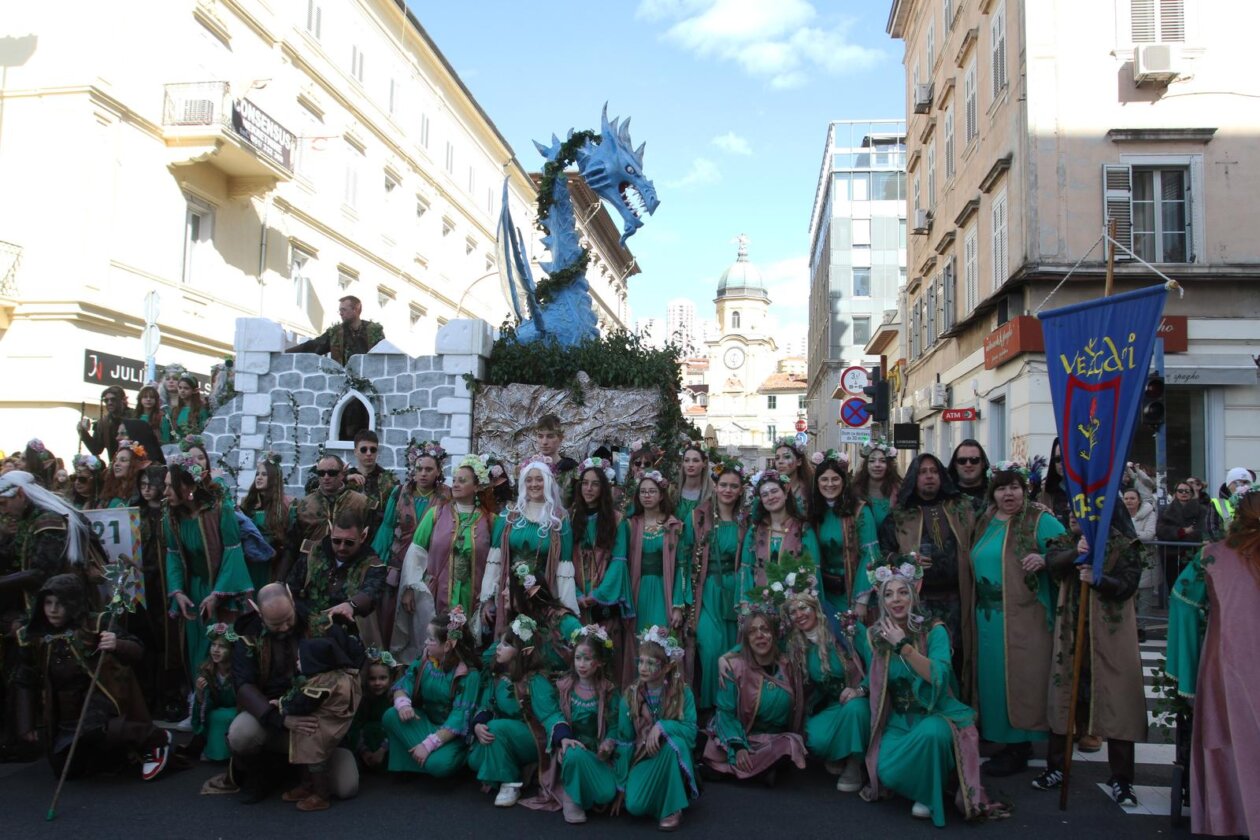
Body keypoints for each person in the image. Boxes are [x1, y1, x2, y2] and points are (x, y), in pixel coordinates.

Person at [857, 554, 1008, 826]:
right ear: (882, 601)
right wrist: (858, 690)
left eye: (903, 592)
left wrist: (904, 645)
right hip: (899, 721)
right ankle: (936, 779)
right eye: (889, 594)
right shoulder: (875, 635)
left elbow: (939, 675)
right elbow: (877, 678)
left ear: (914, 594)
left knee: (932, 733)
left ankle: (928, 794)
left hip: (933, 713)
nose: (897, 599)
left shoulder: (934, 630)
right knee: (885, 773)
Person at [1165, 484, 1260, 838]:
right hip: (1233, 658)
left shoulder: (1214, 555)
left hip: (1229, 660)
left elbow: (1183, 603)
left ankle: (1232, 816)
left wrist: (1185, 670)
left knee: (1230, 738)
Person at [1035, 512, 1147, 807]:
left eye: (1082, 510)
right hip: (1070, 637)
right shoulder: (1065, 541)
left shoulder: (1124, 545)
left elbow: (1128, 585)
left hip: (1109, 639)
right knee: (1063, 700)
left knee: (1118, 703)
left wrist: (1099, 579)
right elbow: (1052, 562)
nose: (1074, 515)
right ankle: (1056, 767)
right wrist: (1077, 552)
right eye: (1072, 509)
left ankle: (1122, 779)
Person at [14, 573, 172, 781]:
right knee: (67, 769)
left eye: (60, 603)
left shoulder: (95, 623)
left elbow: (137, 650)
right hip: (65, 710)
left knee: (100, 728)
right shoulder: (34, 636)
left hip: (100, 697)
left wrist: (117, 643)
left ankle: (155, 739)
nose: (53, 610)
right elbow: (26, 677)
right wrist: (26, 723)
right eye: (48, 603)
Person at [967, 460, 1066, 777]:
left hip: (1026, 615)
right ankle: (1002, 738)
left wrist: (1047, 559)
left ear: (1025, 490)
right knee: (994, 679)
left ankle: (1020, 744)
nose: (1008, 494)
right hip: (988, 615)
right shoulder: (986, 521)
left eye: (1014, 487)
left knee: (1023, 678)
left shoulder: (1040, 520)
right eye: (1001, 487)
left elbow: (1069, 551)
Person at [221, 583, 355, 805]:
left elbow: (347, 667)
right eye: (276, 624)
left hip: (317, 721)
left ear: (292, 601)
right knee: (240, 734)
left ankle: (306, 774)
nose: (284, 628)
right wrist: (280, 718)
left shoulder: (320, 624)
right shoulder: (248, 636)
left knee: (346, 786)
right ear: (259, 613)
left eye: (288, 620)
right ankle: (261, 774)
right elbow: (244, 685)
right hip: (272, 716)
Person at [878, 453, 978, 686]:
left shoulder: (962, 508)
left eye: (934, 471)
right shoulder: (900, 515)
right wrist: (905, 560)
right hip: (920, 601)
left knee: (960, 653)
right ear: (914, 477)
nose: (929, 476)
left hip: (958, 598)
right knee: (923, 652)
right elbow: (884, 553)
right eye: (923, 472)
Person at [521, 624, 626, 824]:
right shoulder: (564, 687)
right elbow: (554, 717)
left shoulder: (609, 692)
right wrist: (563, 740)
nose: (581, 664)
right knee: (573, 751)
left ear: (600, 662)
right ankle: (572, 799)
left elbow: (614, 725)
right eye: (578, 658)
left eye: (588, 659)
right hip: (570, 751)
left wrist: (609, 743)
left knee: (605, 794)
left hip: (597, 755)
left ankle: (585, 791)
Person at [393, 454, 494, 661]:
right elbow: (416, 554)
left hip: (472, 596)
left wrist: (490, 599)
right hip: (436, 595)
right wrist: (410, 588)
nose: (455, 484)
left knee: (468, 649)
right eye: (454, 480)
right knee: (435, 646)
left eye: (462, 480)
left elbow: (496, 562)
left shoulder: (490, 521)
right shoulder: (435, 514)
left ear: (477, 486)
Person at [780, 562, 869, 793]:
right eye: (794, 611)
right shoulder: (796, 644)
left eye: (804, 608)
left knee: (855, 709)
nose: (800, 615)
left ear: (815, 607)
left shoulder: (844, 627)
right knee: (813, 738)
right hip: (832, 705)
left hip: (862, 698)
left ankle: (855, 763)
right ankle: (840, 751)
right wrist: (730, 656)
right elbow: (762, 643)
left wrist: (862, 689)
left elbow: (877, 659)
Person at [163, 455, 254, 677]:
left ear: (188, 487)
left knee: (218, 648)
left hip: (220, 591)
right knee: (194, 647)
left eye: (169, 486)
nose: (164, 492)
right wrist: (177, 591)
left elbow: (232, 554)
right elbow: (173, 555)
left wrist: (216, 594)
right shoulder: (172, 516)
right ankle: (197, 701)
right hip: (193, 591)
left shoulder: (220, 510)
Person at [702, 598, 807, 783]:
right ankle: (756, 770)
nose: (760, 635)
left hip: (772, 739)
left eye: (765, 630)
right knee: (712, 746)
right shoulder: (733, 667)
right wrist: (738, 746)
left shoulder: (787, 665)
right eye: (752, 632)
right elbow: (725, 713)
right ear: (746, 641)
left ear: (774, 634)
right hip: (741, 736)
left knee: (791, 744)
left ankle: (735, 771)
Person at [468, 614, 564, 808]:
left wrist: (563, 736)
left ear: (521, 651)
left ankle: (510, 782)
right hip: (506, 733)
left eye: (506, 644)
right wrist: (478, 725)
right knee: (475, 759)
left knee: (495, 729)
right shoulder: (498, 676)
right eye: (500, 643)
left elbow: (550, 714)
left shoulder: (534, 680)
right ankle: (518, 766)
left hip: (532, 735)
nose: (498, 647)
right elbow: (488, 705)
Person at [382, 607, 482, 778]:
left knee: (439, 766)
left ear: (448, 645)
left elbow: (459, 719)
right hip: (427, 724)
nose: (426, 643)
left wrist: (428, 744)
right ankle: (421, 757)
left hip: (451, 735)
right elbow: (403, 684)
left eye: (430, 639)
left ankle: (440, 756)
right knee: (391, 714)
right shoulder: (426, 661)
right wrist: (404, 704)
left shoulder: (468, 674)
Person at [479, 461, 576, 635]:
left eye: (539, 479)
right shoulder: (509, 515)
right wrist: (487, 598)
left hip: (541, 596)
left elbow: (564, 568)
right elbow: (495, 560)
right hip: (509, 594)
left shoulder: (560, 519)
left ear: (548, 482)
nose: (534, 484)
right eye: (529, 480)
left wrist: (566, 609)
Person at [618, 626, 698, 831]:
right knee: (634, 806)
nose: (643, 667)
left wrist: (663, 726)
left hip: (671, 755)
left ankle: (672, 808)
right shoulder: (630, 696)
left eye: (651, 663)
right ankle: (660, 797)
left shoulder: (682, 693)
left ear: (666, 667)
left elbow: (691, 732)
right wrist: (621, 784)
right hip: (643, 757)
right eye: (641, 661)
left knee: (674, 744)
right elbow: (625, 740)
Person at [277, 625, 365, 812]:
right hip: (326, 723)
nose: (298, 662)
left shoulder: (322, 684)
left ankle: (320, 794)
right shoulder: (338, 675)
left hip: (321, 728)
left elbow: (302, 704)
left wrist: (281, 705)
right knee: (305, 755)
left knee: (314, 759)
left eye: (301, 659)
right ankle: (307, 786)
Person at [685, 456, 747, 711]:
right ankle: (709, 709)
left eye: (734, 486)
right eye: (724, 485)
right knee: (709, 649)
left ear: (741, 490)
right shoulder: (698, 516)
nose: (728, 490)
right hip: (706, 590)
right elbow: (686, 555)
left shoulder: (746, 520)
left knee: (735, 651)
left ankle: (731, 710)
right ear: (715, 485)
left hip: (735, 591)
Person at [373, 440, 449, 644]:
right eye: (419, 468)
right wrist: (379, 561)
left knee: (425, 611)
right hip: (398, 562)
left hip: (430, 563)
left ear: (438, 471)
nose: (423, 473)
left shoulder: (447, 496)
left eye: (428, 469)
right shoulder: (399, 493)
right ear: (413, 470)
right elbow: (387, 528)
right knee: (392, 612)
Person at [619, 470, 687, 673]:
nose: (647, 495)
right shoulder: (631, 525)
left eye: (652, 491)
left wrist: (677, 605)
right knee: (638, 641)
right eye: (643, 492)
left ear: (661, 494)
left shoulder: (673, 525)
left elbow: (681, 567)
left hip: (663, 590)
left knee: (662, 642)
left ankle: (668, 694)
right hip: (637, 593)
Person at [285, 508, 387, 643]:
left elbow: (372, 591)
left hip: (347, 635)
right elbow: (291, 587)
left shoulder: (373, 564)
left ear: (362, 537)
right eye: (336, 541)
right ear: (330, 531)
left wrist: (351, 605)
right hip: (305, 628)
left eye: (349, 542)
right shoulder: (312, 553)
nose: (342, 547)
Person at [568, 457, 633, 664]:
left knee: (606, 654)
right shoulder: (569, 518)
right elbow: (563, 561)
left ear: (603, 488)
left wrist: (599, 594)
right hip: (576, 589)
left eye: (595, 484)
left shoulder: (617, 520)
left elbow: (619, 560)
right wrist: (576, 593)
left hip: (603, 592)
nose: (589, 488)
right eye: (585, 483)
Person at [134, 464, 183, 722]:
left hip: (166, 582)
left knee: (168, 641)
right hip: (143, 584)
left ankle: (170, 696)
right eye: (142, 483)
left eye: (150, 483)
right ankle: (148, 696)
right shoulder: (136, 514)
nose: (146, 488)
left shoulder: (171, 513)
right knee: (147, 638)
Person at [808, 450, 879, 623]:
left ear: (844, 481)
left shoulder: (860, 510)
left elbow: (870, 555)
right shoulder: (815, 513)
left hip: (853, 589)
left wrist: (861, 601)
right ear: (817, 483)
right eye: (824, 479)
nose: (829, 484)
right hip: (824, 590)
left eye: (835, 479)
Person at [282, 455, 369, 582]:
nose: (326, 477)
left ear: (342, 474)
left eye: (332, 473)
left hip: (349, 571)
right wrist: (281, 579)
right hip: (310, 570)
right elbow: (291, 546)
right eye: (321, 473)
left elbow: (369, 540)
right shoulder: (303, 505)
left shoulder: (361, 502)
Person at [740, 470, 822, 596]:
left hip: (795, 608)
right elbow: (746, 570)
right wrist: (748, 605)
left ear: (785, 492)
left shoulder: (803, 530)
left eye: (774, 491)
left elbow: (812, 570)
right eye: (765, 494)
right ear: (761, 500)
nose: (770, 497)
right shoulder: (755, 531)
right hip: (760, 608)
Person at [239, 453, 293, 589]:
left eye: (264, 474)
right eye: (257, 474)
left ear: (274, 478)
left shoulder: (285, 507)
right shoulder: (247, 504)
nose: (259, 477)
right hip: (249, 562)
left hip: (271, 563)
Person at [186, 623, 238, 762]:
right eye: (213, 645)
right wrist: (200, 694)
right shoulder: (207, 672)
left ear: (232, 649)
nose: (215, 650)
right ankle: (213, 750)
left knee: (225, 717)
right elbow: (203, 710)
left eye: (222, 646)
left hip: (237, 712)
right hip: (215, 712)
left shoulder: (239, 672)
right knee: (215, 716)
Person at [287, 295, 385, 365]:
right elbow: (313, 345)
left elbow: (383, 357)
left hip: (368, 381)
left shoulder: (373, 330)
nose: (341, 313)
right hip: (342, 381)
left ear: (356, 309)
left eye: (344, 310)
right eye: (340, 310)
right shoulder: (336, 333)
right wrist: (285, 352)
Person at [346, 649, 399, 774]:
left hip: (388, 747)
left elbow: (398, 729)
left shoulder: (394, 699)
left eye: (382, 678)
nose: (377, 683)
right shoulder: (362, 700)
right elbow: (354, 726)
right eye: (372, 679)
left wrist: (382, 750)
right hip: (367, 747)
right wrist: (364, 751)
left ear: (391, 679)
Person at [344, 429, 398, 541]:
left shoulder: (388, 479)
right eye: (364, 449)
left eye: (373, 449)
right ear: (355, 451)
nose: (369, 453)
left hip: (378, 536)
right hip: (348, 536)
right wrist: (343, 479)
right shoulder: (346, 477)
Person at [1157, 478, 1207, 593]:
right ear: (1175, 493)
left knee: (1191, 589)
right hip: (1170, 555)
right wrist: (1182, 531)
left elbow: (1199, 531)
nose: (1183, 493)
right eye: (1180, 491)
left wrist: (1182, 536)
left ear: (1192, 493)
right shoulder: (1165, 510)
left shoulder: (1201, 510)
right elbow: (1160, 531)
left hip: (1192, 554)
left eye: (1187, 491)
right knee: (1173, 588)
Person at [1122, 486, 1159, 622]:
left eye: (1132, 498)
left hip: (1145, 558)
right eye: (1126, 498)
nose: (1129, 501)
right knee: (1128, 596)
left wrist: (1129, 535)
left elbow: (1149, 535)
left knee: (1144, 596)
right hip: (1124, 558)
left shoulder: (1150, 514)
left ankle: (1142, 626)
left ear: (1139, 500)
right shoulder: (1119, 515)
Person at [532, 413, 579, 506]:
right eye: (540, 436)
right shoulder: (530, 466)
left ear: (560, 438)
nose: (544, 442)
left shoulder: (571, 469)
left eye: (550, 436)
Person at [1205, 466, 1254, 542]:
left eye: (1246, 482)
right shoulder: (1217, 503)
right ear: (1229, 484)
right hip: (1228, 547)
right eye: (1238, 482)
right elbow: (1212, 529)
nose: (1242, 486)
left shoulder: (1254, 502)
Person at [161, 373, 211, 443]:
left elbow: (205, 433)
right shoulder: (174, 410)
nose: (182, 391)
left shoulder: (201, 410)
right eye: (180, 388)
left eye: (186, 388)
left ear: (195, 390)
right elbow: (170, 432)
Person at [99, 439, 147, 508]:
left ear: (135, 464)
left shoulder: (143, 494)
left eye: (123, 460)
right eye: (115, 460)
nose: (116, 464)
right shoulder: (108, 493)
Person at [674, 442, 713, 525]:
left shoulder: (711, 494)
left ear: (704, 464)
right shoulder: (673, 491)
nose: (690, 465)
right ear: (683, 463)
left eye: (695, 460)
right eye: (687, 460)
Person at [773, 437, 813, 517]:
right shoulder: (771, 488)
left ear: (799, 461)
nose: (780, 461)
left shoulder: (810, 488)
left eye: (787, 457)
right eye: (777, 458)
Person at [947, 439, 990, 509]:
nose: (968, 464)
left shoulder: (995, 493)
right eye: (962, 461)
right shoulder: (945, 494)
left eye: (974, 460)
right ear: (955, 465)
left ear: (983, 463)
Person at [1037, 438, 1071, 525]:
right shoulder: (1046, 491)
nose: (1062, 463)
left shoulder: (1089, 489)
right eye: (1058, 459)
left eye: (1066, 458)